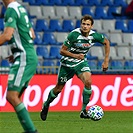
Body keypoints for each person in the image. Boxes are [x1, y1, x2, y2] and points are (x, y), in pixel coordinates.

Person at [40, 15, 110, 121]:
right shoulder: (74, 35)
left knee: (88, 81)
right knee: (58, 89)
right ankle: (46, 105)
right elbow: (62, 51)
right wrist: (76, 56)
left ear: (91, 26)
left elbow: (106, 42)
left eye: (87, 24)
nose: (85, 26)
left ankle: (83, 110)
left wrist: (106, 61)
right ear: (80, 24)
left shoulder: (94, 36)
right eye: (83, 24)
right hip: (66, 65)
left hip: (80, 64)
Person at [0, 0, 38, 133]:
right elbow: (31, 34)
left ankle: (31, 131)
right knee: (14, 96)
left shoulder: (11, 9)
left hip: (24, 57)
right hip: (27, 55)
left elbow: (7, 35)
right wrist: (17, 50)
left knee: (12, 96)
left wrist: (20, 52)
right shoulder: (21, 9)